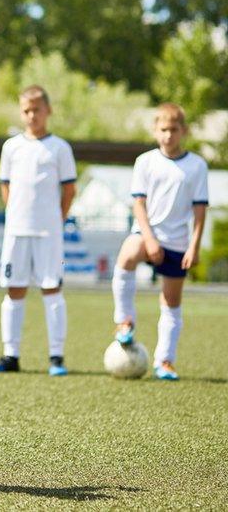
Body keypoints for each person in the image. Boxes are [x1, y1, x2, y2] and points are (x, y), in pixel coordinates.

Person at [0, 85, 76, 376]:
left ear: (48, 110)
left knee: (52, 290)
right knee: (14, 290)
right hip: (17, 232)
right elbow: (5, 185)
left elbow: (69, 189)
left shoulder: (60, 147)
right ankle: (11, 355)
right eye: (26, 110)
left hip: (49, 233)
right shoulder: (11, 147)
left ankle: (56, 357)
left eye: (37, 109)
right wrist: (15, 215)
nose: (32, 115)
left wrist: (56, 220)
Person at [111, 103, 207, 381]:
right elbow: (138, 205)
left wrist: (194, 246)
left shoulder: (196, 165)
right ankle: (124, 321)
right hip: (147, 234)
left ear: (184, 131)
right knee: (128, 254)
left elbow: (200, 210)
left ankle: (164, 361)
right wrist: (150, 239)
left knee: (171, 302)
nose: (168, 135)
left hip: (178, 242)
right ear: (155, 131)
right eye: (163, 130)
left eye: (174, 130)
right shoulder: (145, 161)